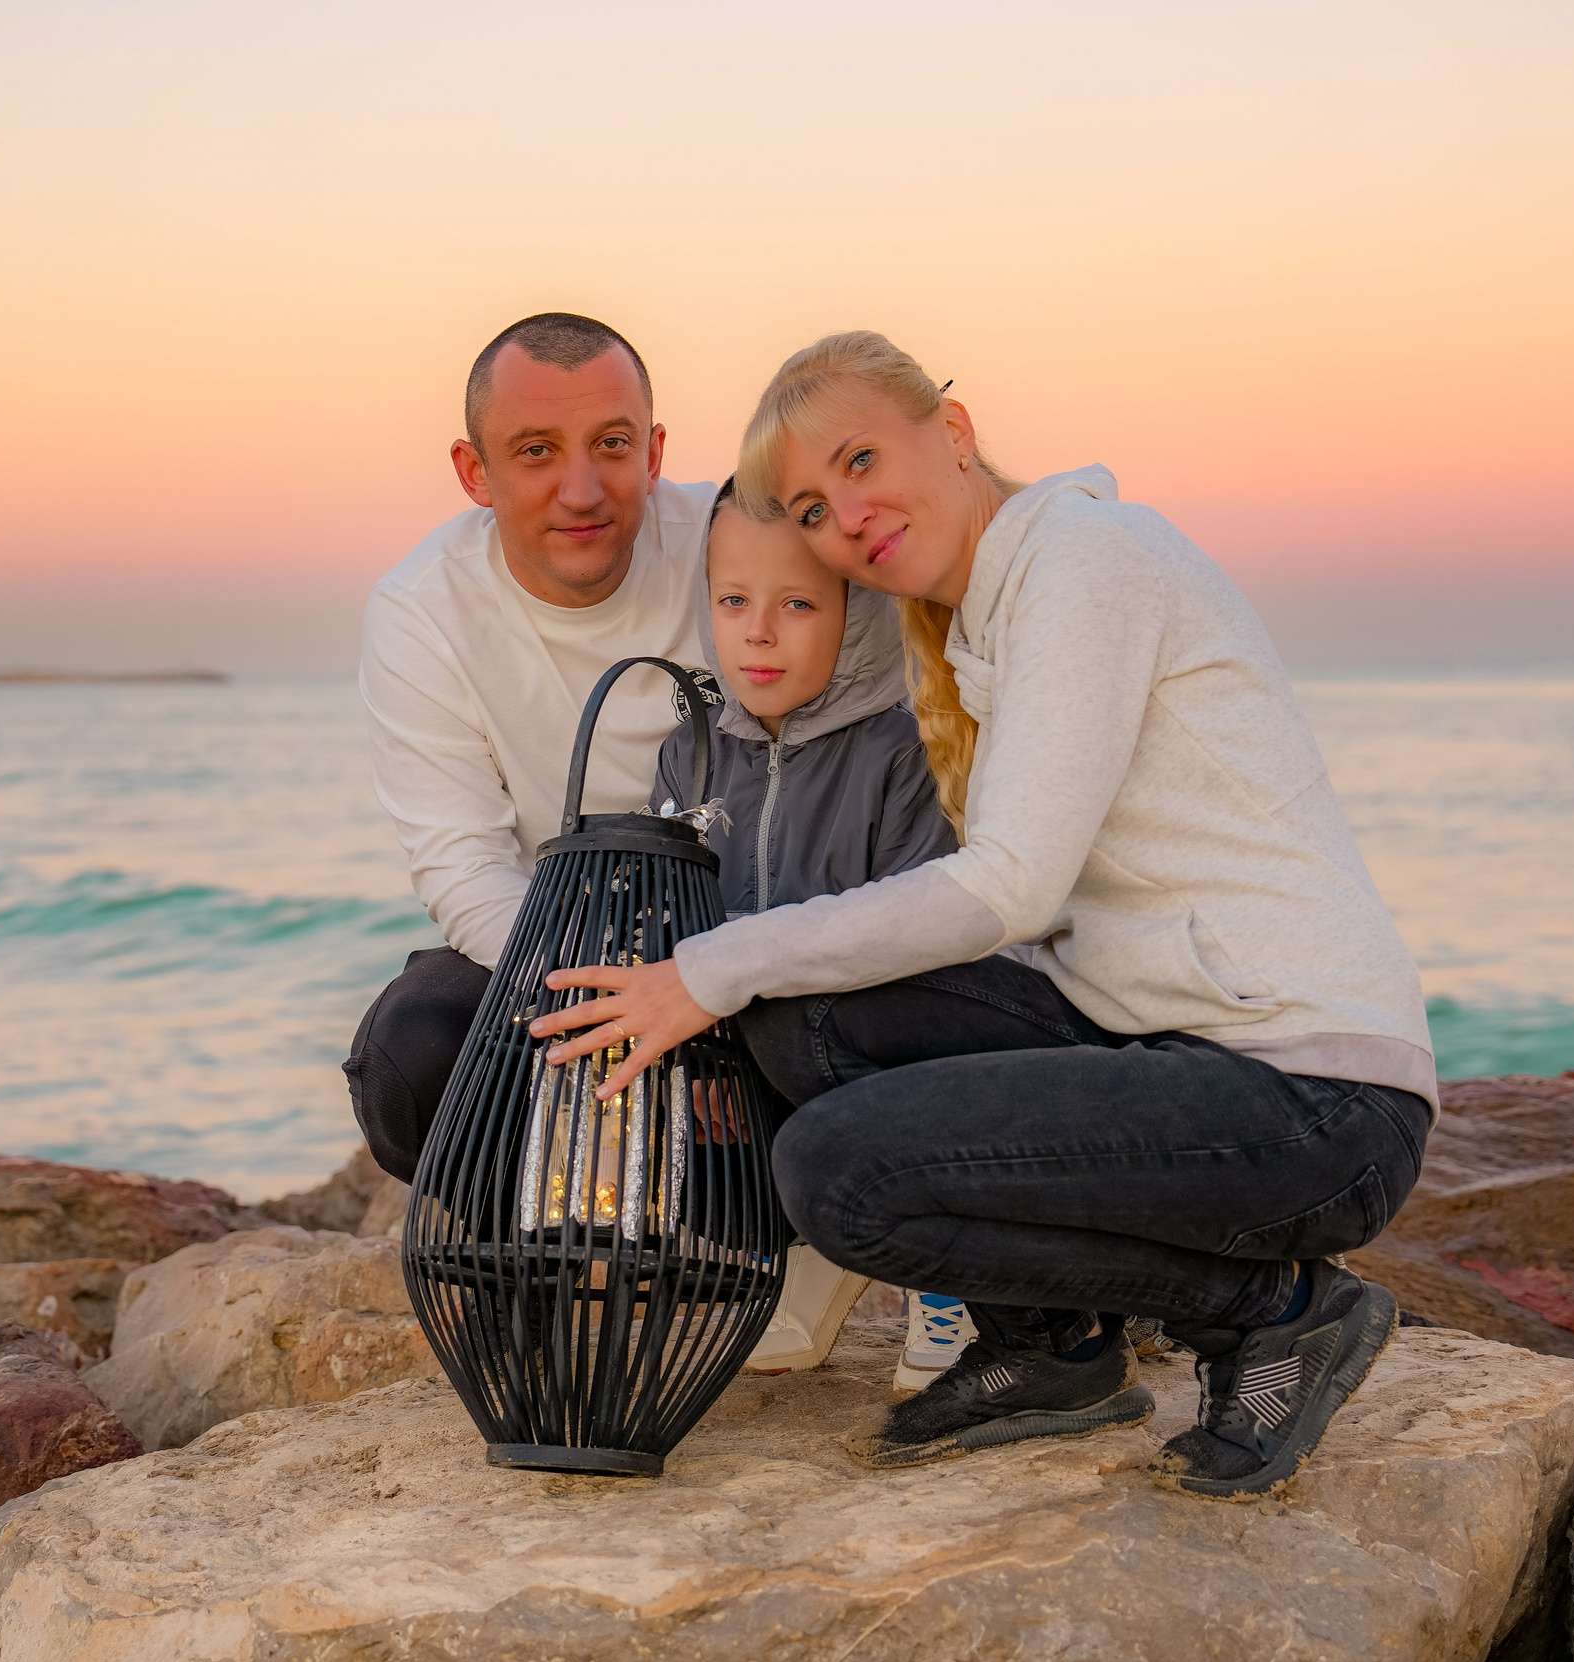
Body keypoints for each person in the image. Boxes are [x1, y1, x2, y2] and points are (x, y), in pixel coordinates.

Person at [531, 332, 1436, 1499]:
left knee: (837, 1173)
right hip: (1166, 1047)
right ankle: (1053, 1349)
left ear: (950, 432)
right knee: (803, 1027)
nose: (845, 515)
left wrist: (717, 964)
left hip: (1312, 1095)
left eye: (860, 460)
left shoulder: (1087, 561)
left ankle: (1278, 1308)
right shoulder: (979, 623)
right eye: (813, 502)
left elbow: (1007, 886)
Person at [349, 313, 713, 1185]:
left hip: (745, 929)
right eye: (537, 450)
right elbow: (462, 867)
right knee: (414, 1055)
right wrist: (611, 1003)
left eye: (612, 444)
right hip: (551, 939)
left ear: (655, 452)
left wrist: (713, 985)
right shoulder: (423, 610)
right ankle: (536, 1265)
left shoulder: (739, 547)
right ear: (475, 472)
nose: (581, 490)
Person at [651, 482, 962, 1390]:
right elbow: (674, 918)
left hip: (876, 1053)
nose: (758, 632)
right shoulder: (691, 751)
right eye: (733, 601)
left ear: (857, 608)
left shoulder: (904, 748)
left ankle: (944, 1272)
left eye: (797, 604)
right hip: (744, 1059)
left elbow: (931, 946)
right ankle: (802, 1249)